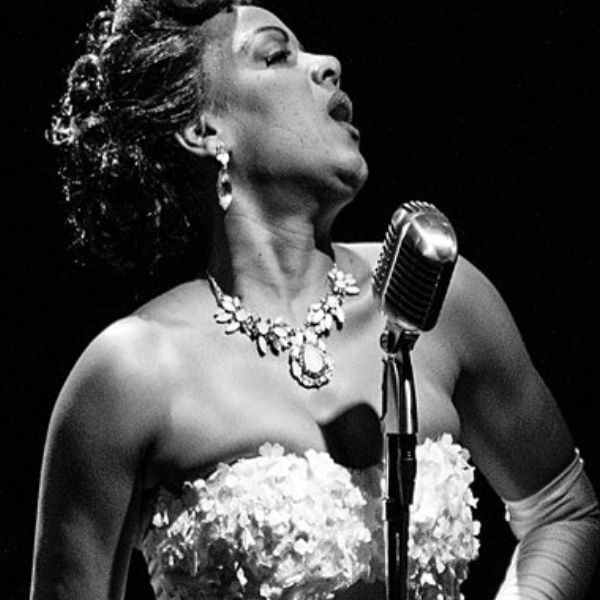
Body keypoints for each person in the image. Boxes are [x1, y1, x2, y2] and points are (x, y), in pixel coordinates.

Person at [30, 1, 599, 599]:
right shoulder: (131, 372)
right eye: (276, 55)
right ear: (204, 130)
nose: (328, 64)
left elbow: (563, 511)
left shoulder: (439, 298)